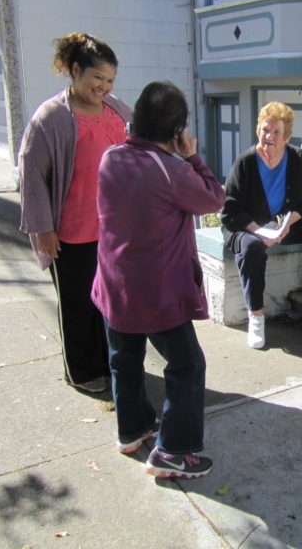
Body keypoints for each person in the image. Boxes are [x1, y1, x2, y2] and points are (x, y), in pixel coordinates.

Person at [92, 81, 225, 479]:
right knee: (187, 364)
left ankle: (132, 430)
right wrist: (194, 156)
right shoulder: (172, 171)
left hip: (114, 285)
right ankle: (173, 451)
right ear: (175, 131)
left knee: (125, 359)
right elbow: (214, 199)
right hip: (156, 293)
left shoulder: (110, 157)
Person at [18, 33, 131, 394]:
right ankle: (81, 371)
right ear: (76, 70)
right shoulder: (51, 117)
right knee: (78, 305)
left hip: (114, 230)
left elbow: (141, 150)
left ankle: (109, 362)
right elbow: (31, 174)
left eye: (110, 80)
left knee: (110, 303)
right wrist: (42, 229)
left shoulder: (117, 109)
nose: (104, 86)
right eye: (97, 77)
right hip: (71, 230)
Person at [221, 101, 302, 349]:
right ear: (258, 130)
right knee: (252, 249)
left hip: (282, 227)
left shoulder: (297, 157)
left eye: (276, 132)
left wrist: (288, 223)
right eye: (265, 130)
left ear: (287, 137)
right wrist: (261, 231)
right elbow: (231, 211)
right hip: (246, 228)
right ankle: (256, 316)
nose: (269, 136)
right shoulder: (245, 162)